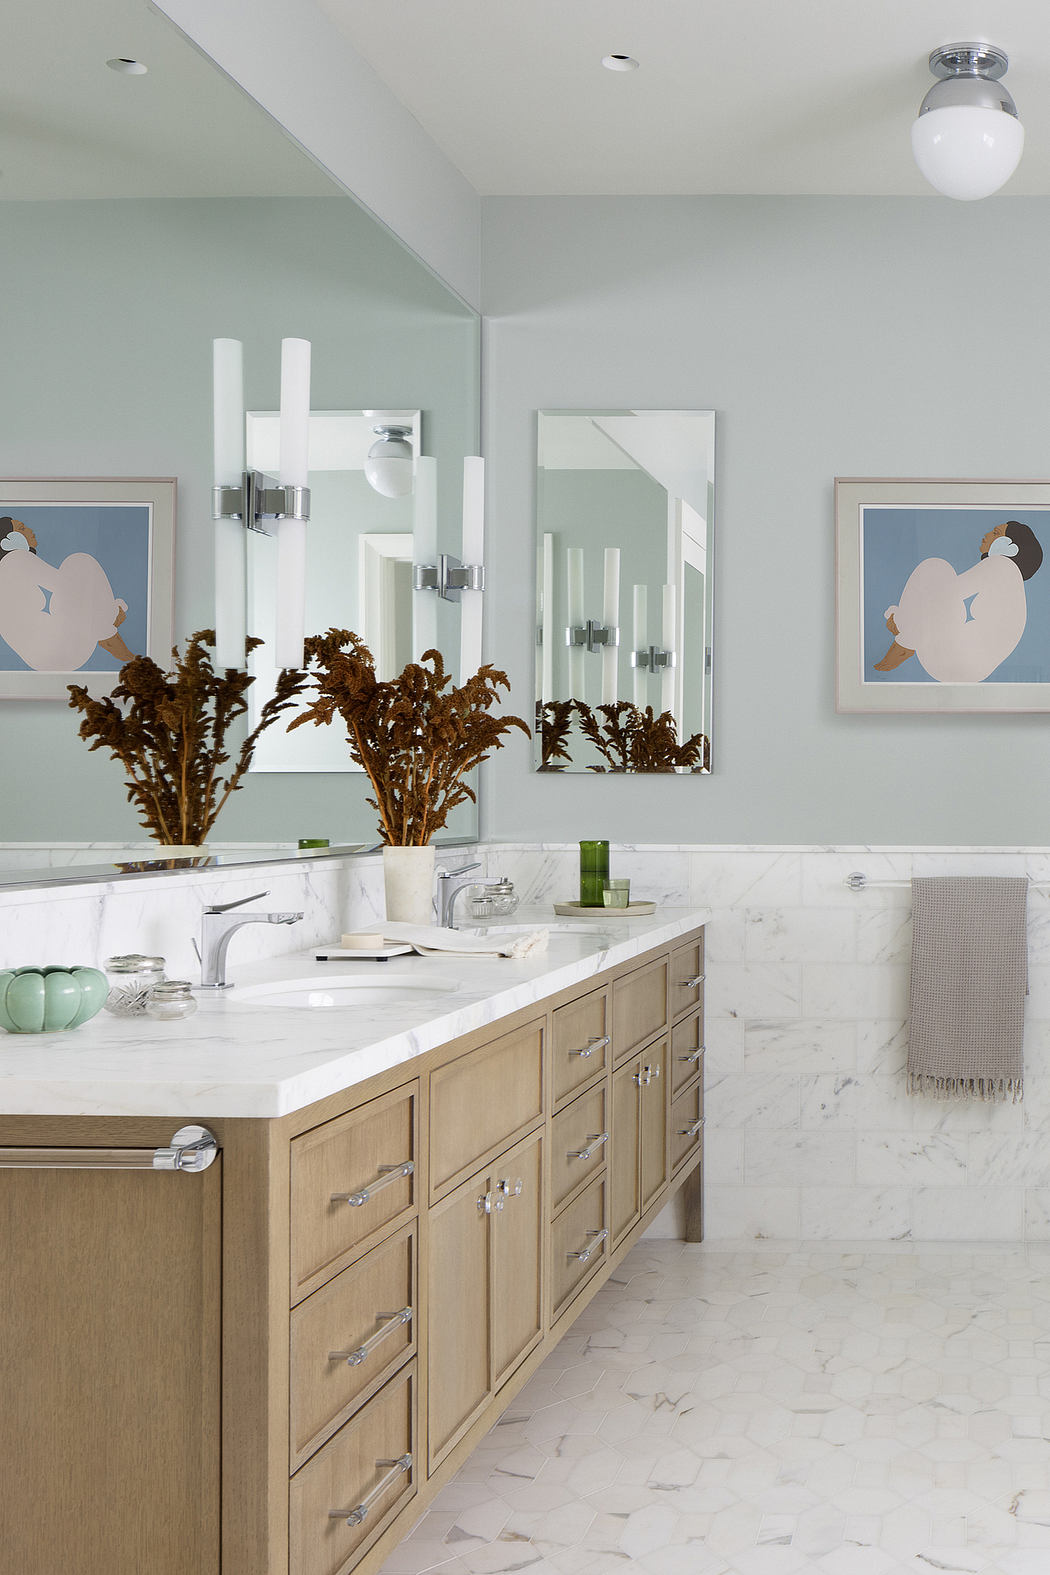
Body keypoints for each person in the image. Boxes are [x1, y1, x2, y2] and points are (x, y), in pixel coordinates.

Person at [875, 520, 1043, 683]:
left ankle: (904, 640)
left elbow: (950, 592)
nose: (987, 535)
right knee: (947, 601)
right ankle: (905, 630)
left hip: (948, 659)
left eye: (995, 533)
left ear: (1010, 548)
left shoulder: (1001, 564)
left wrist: (905, 617)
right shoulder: (1012, 582)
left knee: (936, 567)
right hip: (967, 670)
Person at [0, 516, 135, 671]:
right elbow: (65, 584)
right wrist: (106, 608)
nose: (30, 531)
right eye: (22, 529)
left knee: (74, 591)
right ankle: (108, 633)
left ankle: (106, 621)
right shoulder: (16, 558)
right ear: (7, 541)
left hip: (45, 661)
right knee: (79, 562)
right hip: (62, 649)